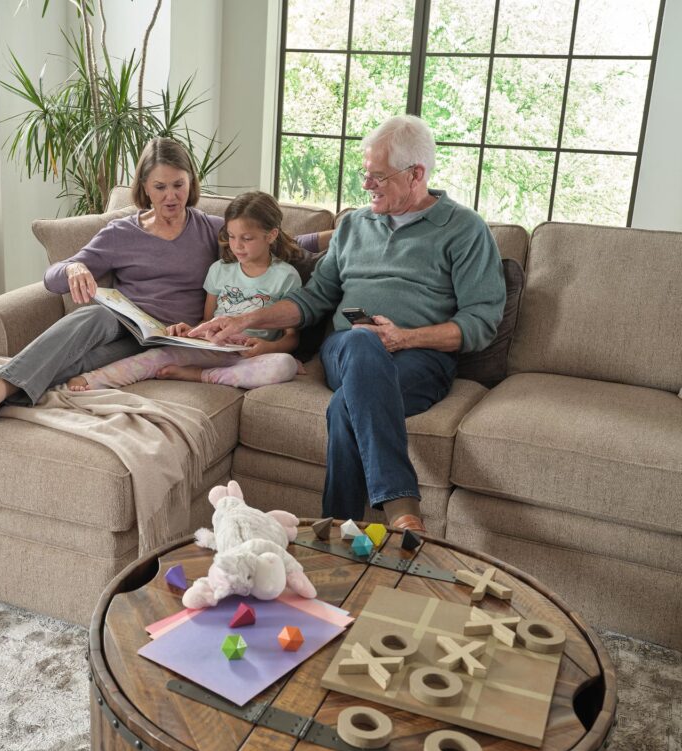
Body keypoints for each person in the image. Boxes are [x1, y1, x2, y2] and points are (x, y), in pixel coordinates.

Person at [189, 115, 505, 533]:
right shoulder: (353, 226)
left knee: (345, 407)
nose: (367, 185)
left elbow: (481, 323)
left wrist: (404, 337)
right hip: (345, 352)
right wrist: (245, 318)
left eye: (378, 176)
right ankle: (403, 511)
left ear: (416, 175)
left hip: (421, 360)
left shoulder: (463, 230)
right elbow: (312, 300)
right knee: (359, 343)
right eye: (365, 174)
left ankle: (338, 531)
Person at [0, 137, 224, 424]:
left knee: (78, 362)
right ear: (144, 187)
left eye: (178, 185)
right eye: (160, 187)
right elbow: (52, 279)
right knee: (96, 313)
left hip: (168, 342)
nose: (171, 196)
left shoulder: (215, 231)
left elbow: (263, 262)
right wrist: (73, 269)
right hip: (125, 325)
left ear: (192, 182)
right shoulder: (122, 233)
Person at [66, 191, 323, 392]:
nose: (237, 246)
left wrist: (267, 347)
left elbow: (292, 338)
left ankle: (201, 376)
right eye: (232, 237)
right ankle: (93, 380)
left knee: (285, 365)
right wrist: (188, 331)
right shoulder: (220, 270)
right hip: (212, 347)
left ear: (271, 236)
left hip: (248, 357)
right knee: (157, 357)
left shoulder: (285, 277)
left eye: (247, 238)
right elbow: (206, 321)